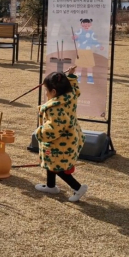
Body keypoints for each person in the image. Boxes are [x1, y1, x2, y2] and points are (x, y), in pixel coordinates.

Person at [35, 66, 88, 202]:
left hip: (59, 144)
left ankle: (78, 187)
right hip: (71, 137)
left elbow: (54, 129)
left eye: (47, 91)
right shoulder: (70, 96)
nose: (46, 94)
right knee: (51, 162)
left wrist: (40, 133)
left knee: (58, 167)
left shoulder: (54, 108)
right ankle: (51, 186)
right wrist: (71, 76)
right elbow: (75, 90)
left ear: (53, 91)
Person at [73, 18, 104, 84]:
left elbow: (94, 41)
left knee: (89, 65)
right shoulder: (79, 31)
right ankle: (78, 77)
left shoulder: (92, 33)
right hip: (81, 51)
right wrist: (74, 37)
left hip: (88, 51)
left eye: (88, 26)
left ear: (90, 25)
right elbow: (75, 37)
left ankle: (90, 77)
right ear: (81, 25)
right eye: (84, 26)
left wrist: (99, 46)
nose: (86, 27)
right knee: (79, 65)